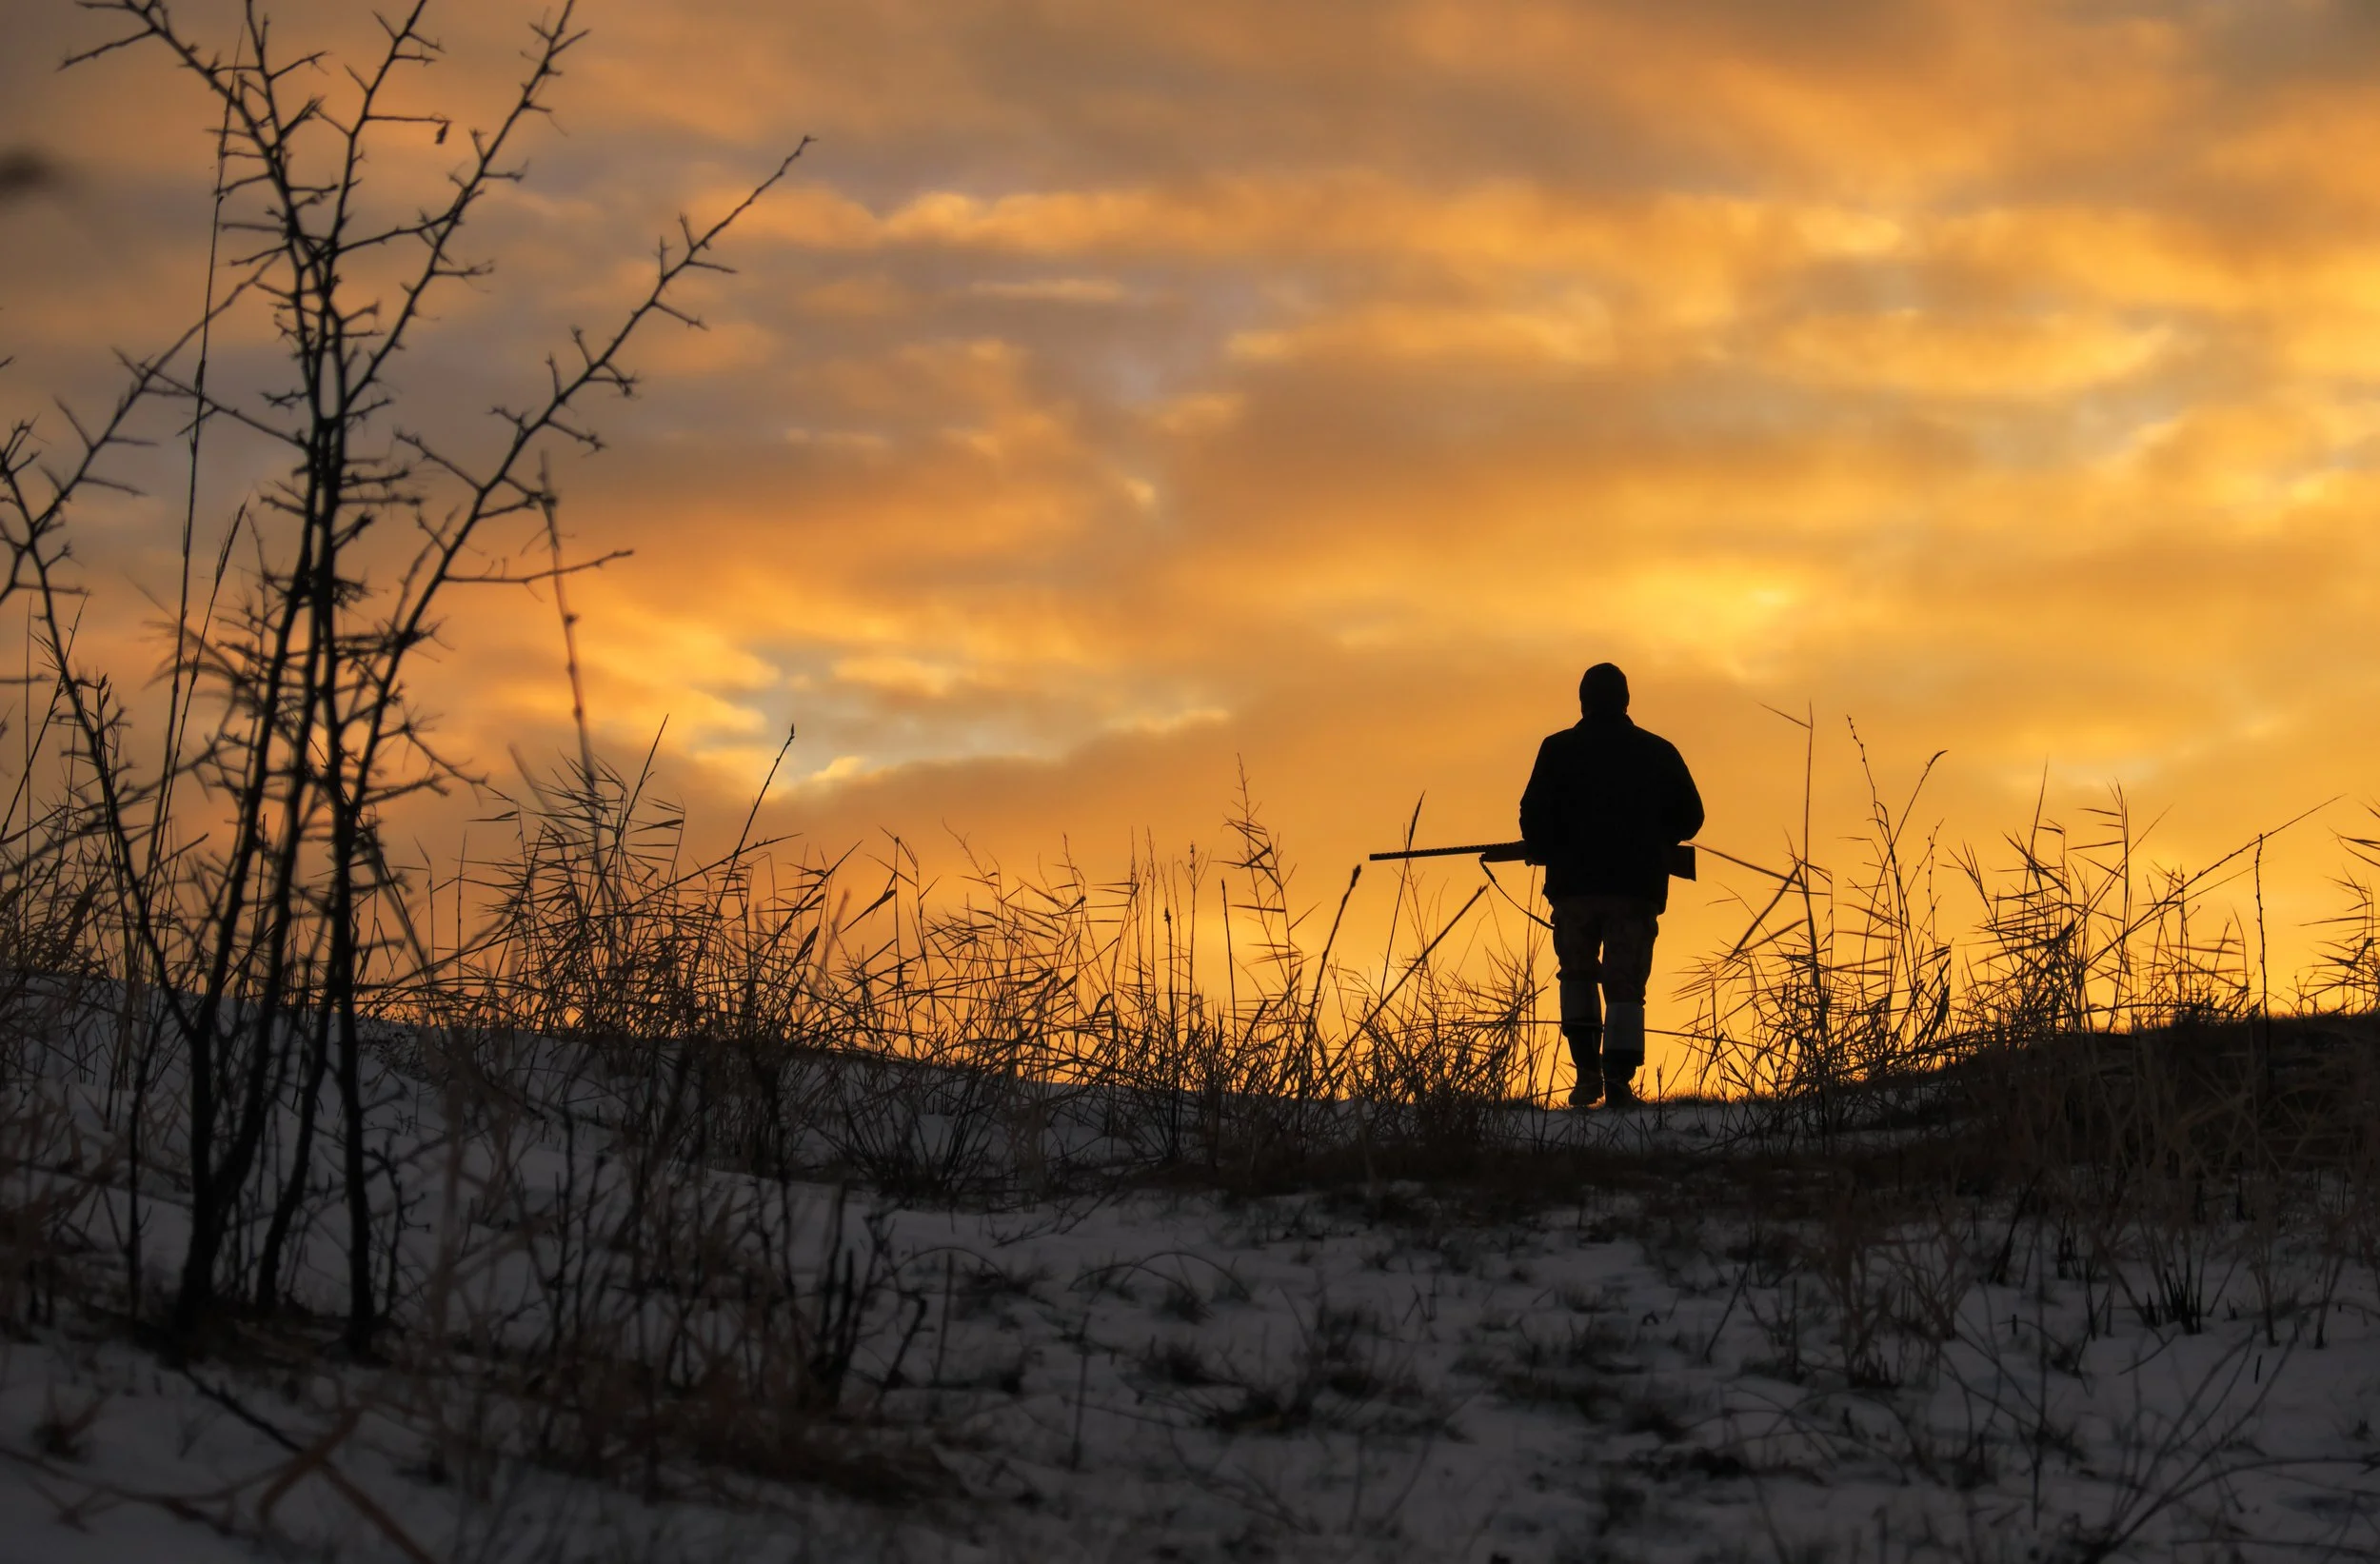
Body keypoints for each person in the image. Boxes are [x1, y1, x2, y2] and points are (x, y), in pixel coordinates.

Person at [1519, 663, 1702, 1109]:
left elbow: (1532, 818)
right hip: (1633, 891)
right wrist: (1656, 839)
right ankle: (1619, 1084)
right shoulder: (1657, 751)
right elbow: (1691, 816)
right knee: (1625, 986)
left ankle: (1586, 1077)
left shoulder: (1557, 750)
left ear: (1582, 701)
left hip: (1574, 890)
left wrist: (1547, 845)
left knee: (1577, 977)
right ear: (1626, 701)